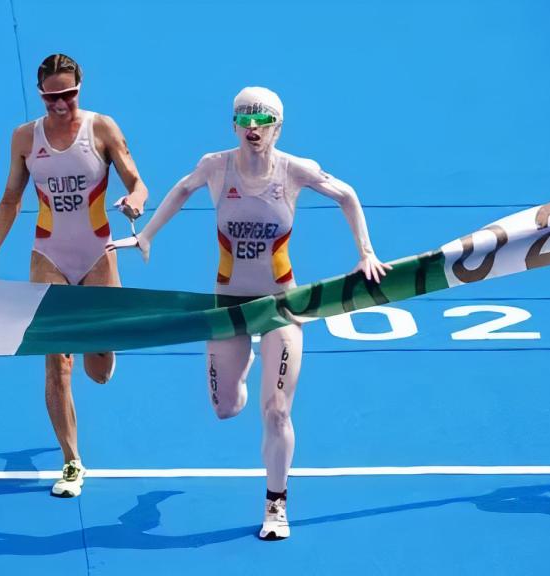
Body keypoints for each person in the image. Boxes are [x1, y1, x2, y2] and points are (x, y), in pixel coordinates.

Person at [110, 87, 389, 539]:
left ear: (278, 127)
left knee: (276, 411)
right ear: (234, 125)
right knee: (225, 409)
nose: (254, 129)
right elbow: (181, 190)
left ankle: (276, 507)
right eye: (245, 120)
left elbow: (348, 196)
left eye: (263, 121)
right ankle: (243, 365)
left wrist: (366, 253)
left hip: (281, 305)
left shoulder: (296, 170)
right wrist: (146, 237)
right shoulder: (215, 167)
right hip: (228, 305)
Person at [0, 53, 148, 498]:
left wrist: (136, 200)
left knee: (99, 368)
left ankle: (102, 349)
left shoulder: (102, 129)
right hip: (48, 255)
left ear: (80, 89)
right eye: (52, 96)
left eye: (68, 94)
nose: (61, 104)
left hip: (97, 255)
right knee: (57, 361)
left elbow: (136, 181)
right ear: (41, 95)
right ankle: (72, 461)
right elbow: (11, 199)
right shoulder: (23, 139)